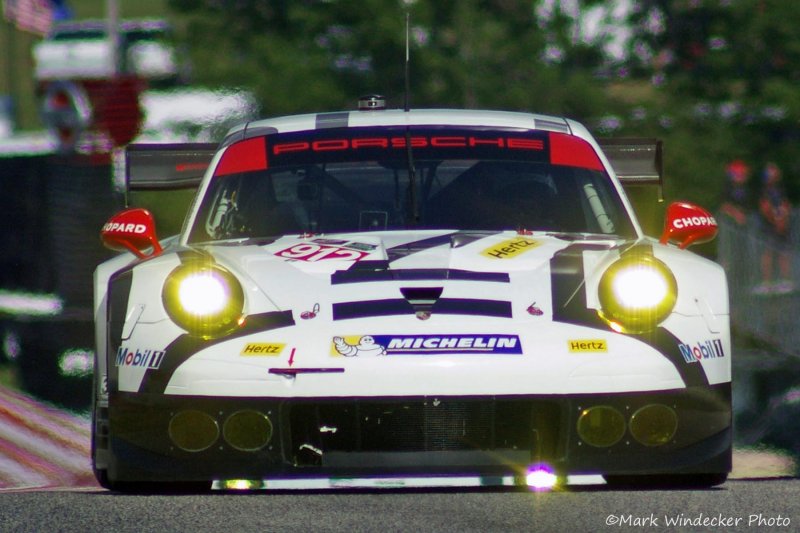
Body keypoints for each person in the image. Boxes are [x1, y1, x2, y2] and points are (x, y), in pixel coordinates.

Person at [755, 162, 793, 294]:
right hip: (769, 226)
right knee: (768, 253)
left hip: (782, 224)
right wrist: (775, 221)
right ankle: (767, 283)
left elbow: (786, 205)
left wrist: (783, 219)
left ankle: (785, 281)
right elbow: (764, 207)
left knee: (784, 253)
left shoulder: (780, 189)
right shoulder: (764, 190)